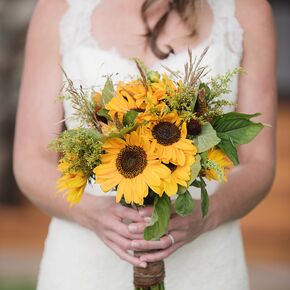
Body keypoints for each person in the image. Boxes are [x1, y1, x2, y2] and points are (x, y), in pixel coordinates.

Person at [13, 0, 276, 289]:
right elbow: (31, 157)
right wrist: (89, 212)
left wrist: (206, 214)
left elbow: (259, 162)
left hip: (207, 264)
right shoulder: (58, 8)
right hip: (83, 265)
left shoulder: (247, 10)